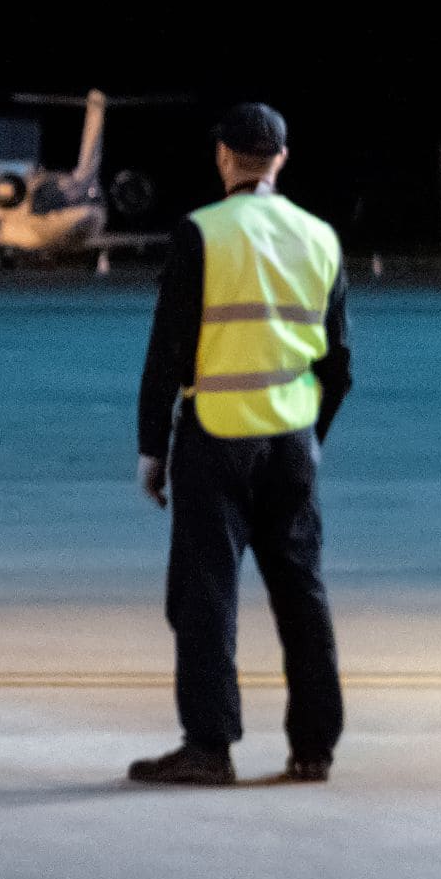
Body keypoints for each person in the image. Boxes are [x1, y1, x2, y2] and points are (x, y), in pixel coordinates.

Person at [128, 101, 351, 787]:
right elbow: (339, 363)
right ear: (281, 158)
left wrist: (151, 447)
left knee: (205, 596)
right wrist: (309, 437)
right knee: (302, 593)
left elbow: (168, 350)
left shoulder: (203, 232)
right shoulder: (321, 236)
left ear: (223, 156)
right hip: (290, 443)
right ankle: (313, 747)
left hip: (217, 438)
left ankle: (209, 746)